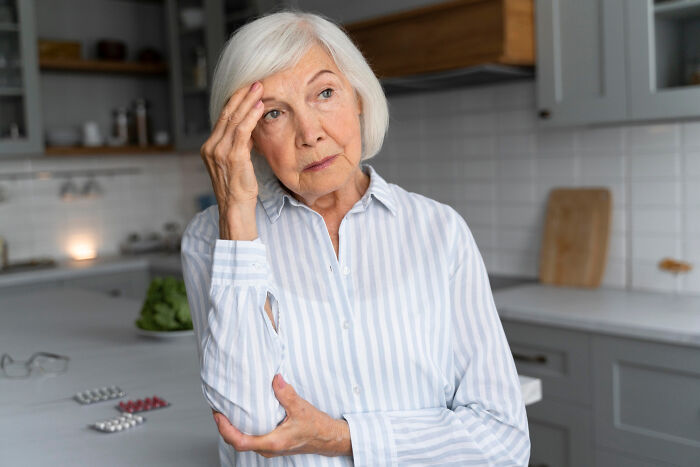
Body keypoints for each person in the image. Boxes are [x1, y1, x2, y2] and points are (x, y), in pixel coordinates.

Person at [181, 10, 530, 467]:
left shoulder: (439, 231)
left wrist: (342, 438)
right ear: (246, 137)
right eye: (273, 114)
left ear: (359, 97)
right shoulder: (213, 239)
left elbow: (502, 441)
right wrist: (237, 220)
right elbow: (248, 427)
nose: (311, 133)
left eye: (325, 93)